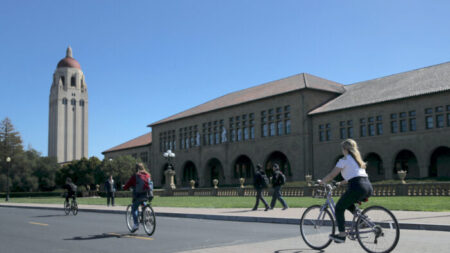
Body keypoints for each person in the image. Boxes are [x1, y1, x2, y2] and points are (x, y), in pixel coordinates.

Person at [319, 139, 373, 243]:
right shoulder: (358, 161)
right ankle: (364, 220)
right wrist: (340, 183)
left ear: (345, 149)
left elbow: (331, 175)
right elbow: (354, 176)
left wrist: (322, 181)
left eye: (342, 149)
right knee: (347, 203)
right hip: (367, 187)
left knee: (339, 207)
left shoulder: (343, 160)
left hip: (357, 187)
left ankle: (342, 235)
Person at [123, 163, 154, 232]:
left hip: (138, 195)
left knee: (134, 208)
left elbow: (128, 184)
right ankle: (147, 215)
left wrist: (124, 187)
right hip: (147, 195)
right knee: (143, 203)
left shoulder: (135, 176)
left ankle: (136, 225)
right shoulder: (147, 175)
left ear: (136, 168)